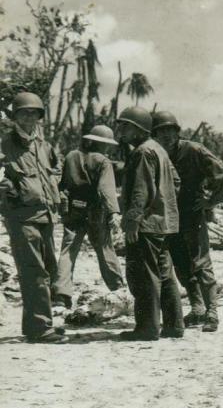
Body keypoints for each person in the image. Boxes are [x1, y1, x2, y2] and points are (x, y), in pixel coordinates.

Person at [152, 110, 223, 332]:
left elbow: (221, 173)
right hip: (170, 218)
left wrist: (210, 201)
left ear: (177, 132)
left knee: (201, 263)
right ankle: (197, 308)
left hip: (192, 215)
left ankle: (212, 312)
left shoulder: (193, 150)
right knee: (181, 264)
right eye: (161, 132)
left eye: (170, 131)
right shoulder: (156, 154)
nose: (166, 136)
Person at [0, 92, 67, 343]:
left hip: (47, 216)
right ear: (14, 116)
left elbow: (56, 173)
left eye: (34, 113)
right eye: (24, 112)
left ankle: (37, 324)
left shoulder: (45, 146)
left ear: (40, 117)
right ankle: (40, 327)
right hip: (21, 217)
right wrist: (10, 190)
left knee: (48, 269)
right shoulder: (4, 146)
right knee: (33, 271)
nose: (29, 117)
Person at [115, 106, 184, 341]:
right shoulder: (160, 150)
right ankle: (174, 325)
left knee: (143, 276)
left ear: (138, 129)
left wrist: (133, 220)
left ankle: (147, 328)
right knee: (165, 274)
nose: (120, 131)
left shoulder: (143, 152)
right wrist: (163, 204)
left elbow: (139, 191)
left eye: (125, 126)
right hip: (163, 223)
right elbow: (175, 181)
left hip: (146, 224)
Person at [52, 124, 124, 307]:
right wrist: (114, 212)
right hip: (95, 211)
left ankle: (61, 294)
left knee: (68, 250)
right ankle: (118, 288)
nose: (108, 147)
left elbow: (61, 183)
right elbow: (105, 189)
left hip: (73, 209)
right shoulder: (103, 161)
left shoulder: (71, 156)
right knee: (104, 248)